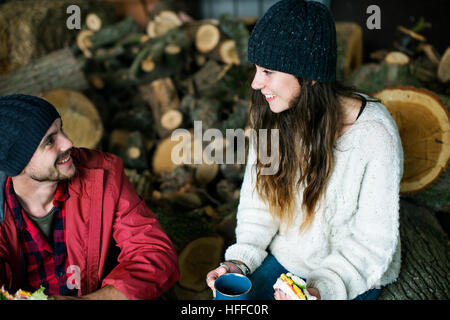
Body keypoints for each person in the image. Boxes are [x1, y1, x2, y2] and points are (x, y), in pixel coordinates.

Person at [206, 0, 404, 300]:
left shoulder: (375, 136)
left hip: (348, 276)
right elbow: (258, 206)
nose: (256, 82)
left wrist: (318, 291)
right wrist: (239, 261)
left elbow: (372, 242)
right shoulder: (273, 112)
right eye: (257, 69)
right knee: (227, 298)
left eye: (268, 70)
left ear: (311, 75)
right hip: (285, 262)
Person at [0, 94, 179, 300]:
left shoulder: (103, 173)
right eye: (50, 141)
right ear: (17, 164)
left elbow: (156, 254)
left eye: (61, 130)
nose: (68, 142)